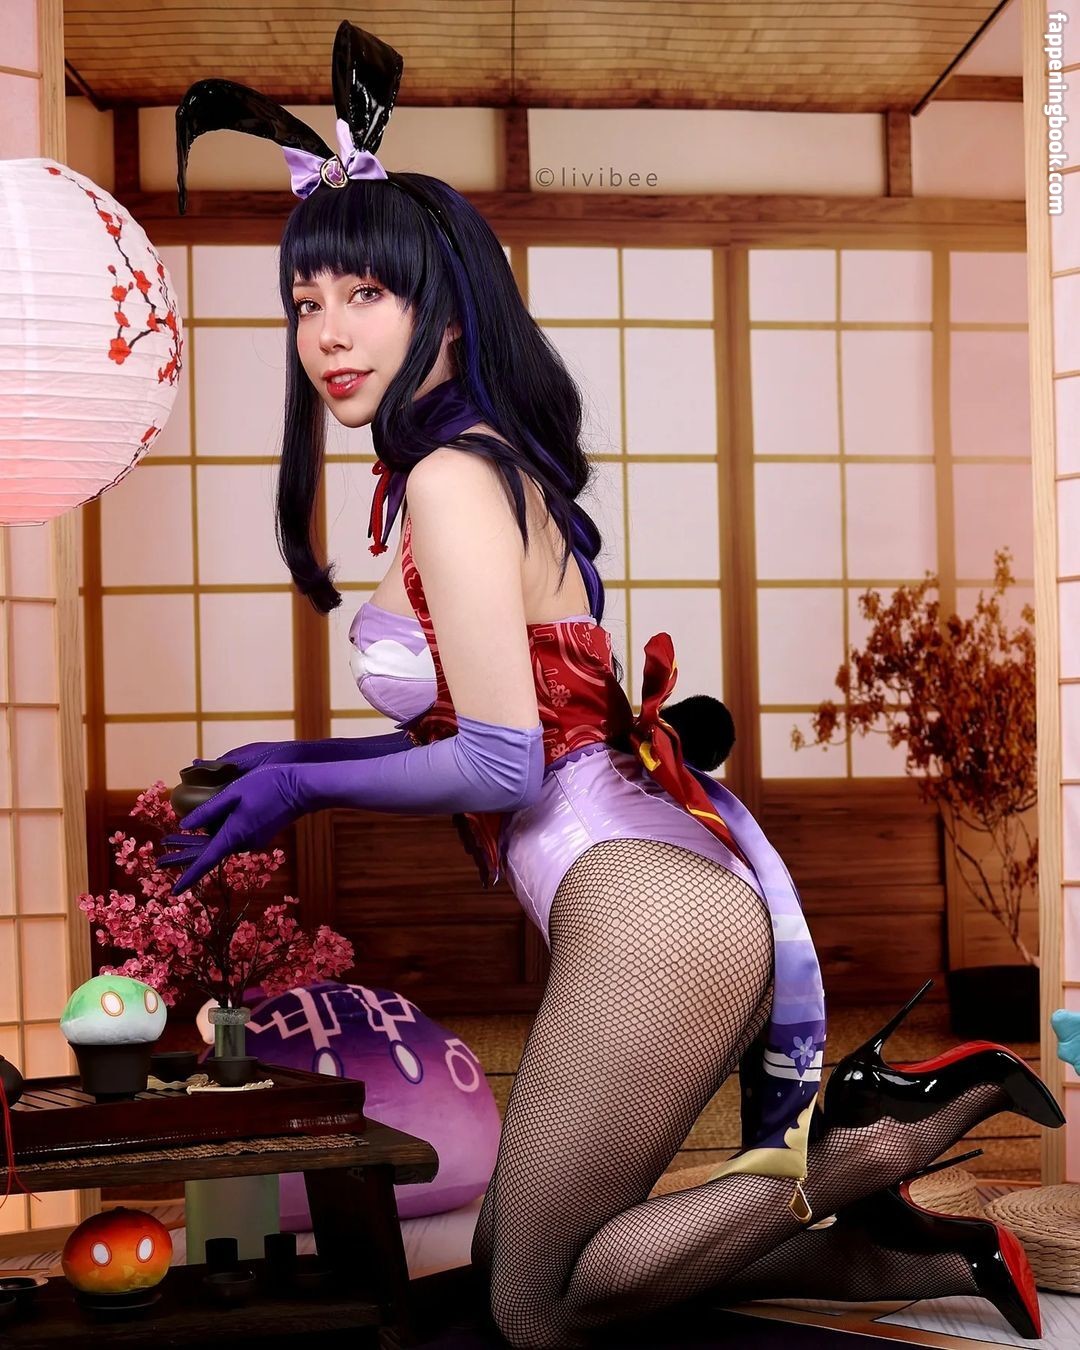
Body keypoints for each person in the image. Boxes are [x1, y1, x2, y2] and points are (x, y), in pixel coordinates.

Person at [159, 22, 1063, 1348]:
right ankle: (928, 1258)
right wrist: (290, 756)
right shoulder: (472, 457)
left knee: (530, 1307)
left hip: (648, 916)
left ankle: (864, 1141)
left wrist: (300, 783)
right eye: (306, 303)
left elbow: (504, 762)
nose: (328, 335)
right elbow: (507, 719)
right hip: (657, 896)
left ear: (443, 309)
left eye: (364, 295)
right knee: (543, 1263)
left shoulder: (450, 475)